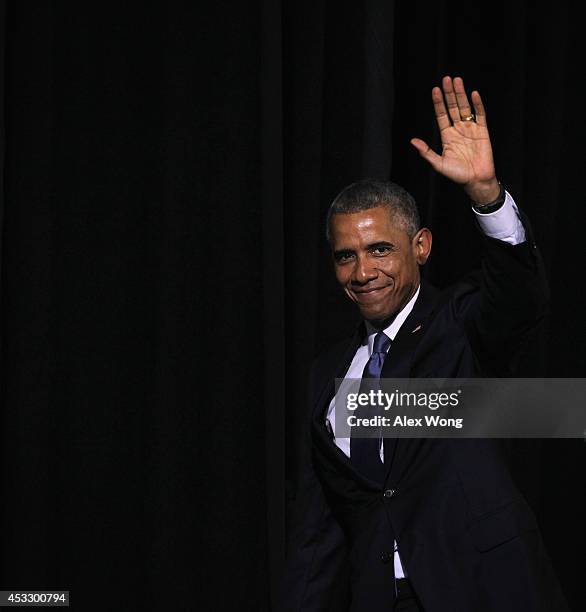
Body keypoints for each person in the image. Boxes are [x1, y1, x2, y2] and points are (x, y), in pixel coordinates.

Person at [279, 76, 569, 611]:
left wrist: (486, 196)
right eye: (346, 256)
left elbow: (522, 297)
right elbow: (317, 532)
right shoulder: (328, 376)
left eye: (381, 249)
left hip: (486, 592)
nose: (363, 271)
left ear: (421, 246)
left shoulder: (458, 324)